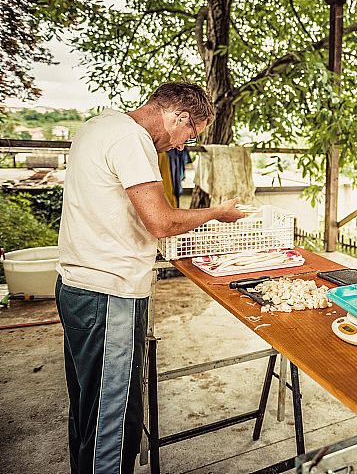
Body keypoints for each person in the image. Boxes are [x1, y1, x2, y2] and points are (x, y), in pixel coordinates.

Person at [55, 81, 245, 473]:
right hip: (110, 293)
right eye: (190, 134)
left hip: (76, 286)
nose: (181, 146)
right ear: (179, 117)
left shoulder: (98, 126)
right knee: (113, 420)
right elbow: (161, 221)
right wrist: (216, 213)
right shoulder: (131, 139)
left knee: (89, 407)